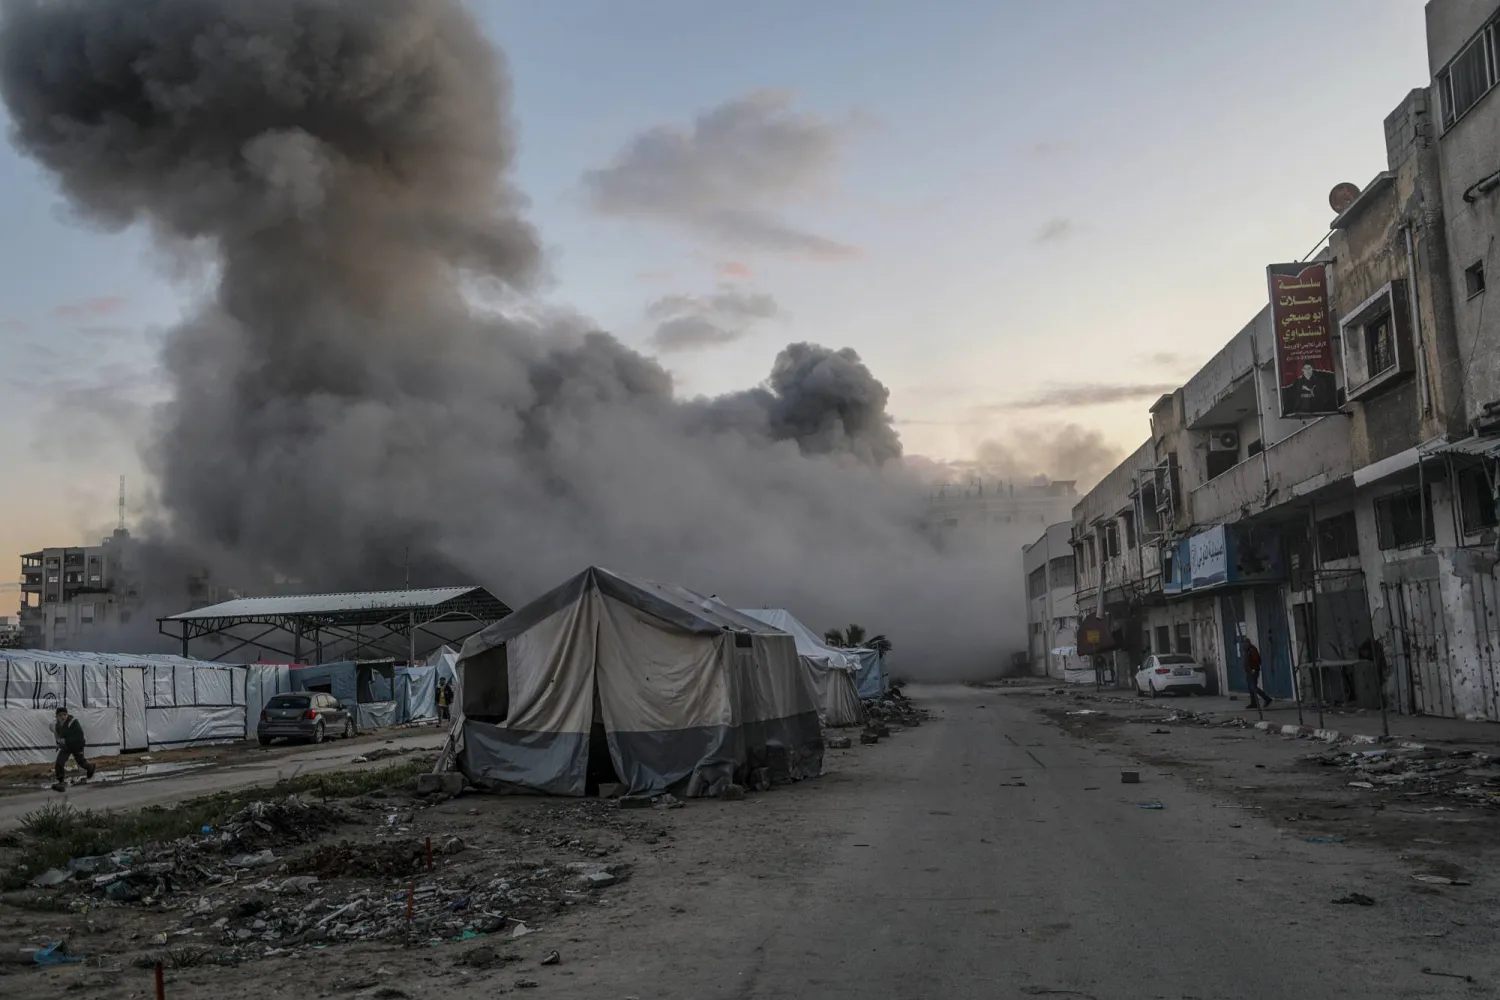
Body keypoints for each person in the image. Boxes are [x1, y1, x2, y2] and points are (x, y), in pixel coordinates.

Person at [53, 707, 95, 791]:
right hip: (66, 746)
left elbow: (79, 736)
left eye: (64, 714)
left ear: (67, 714)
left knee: (81, 762)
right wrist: (59, 744)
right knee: (59, 762)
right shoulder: (57, 725)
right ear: (57, 717)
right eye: (60, 715)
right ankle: (61, 782)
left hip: (77, 745)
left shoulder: (73, 722)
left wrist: (66, 740)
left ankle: (90, 767)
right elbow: (59, 737)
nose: (63, 717)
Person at [1242, 637, 1273, 709]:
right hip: (1249, 671)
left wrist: (1254, 669)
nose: (1244, 645)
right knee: (1251, 688)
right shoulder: (1247, 650)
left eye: (1245, 643)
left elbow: (1257, 660)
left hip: (1253, 671)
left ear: (1248, 643)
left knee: (1253, 687)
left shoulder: (1252, 650)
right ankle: (1254, 703)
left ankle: (1267, 698)